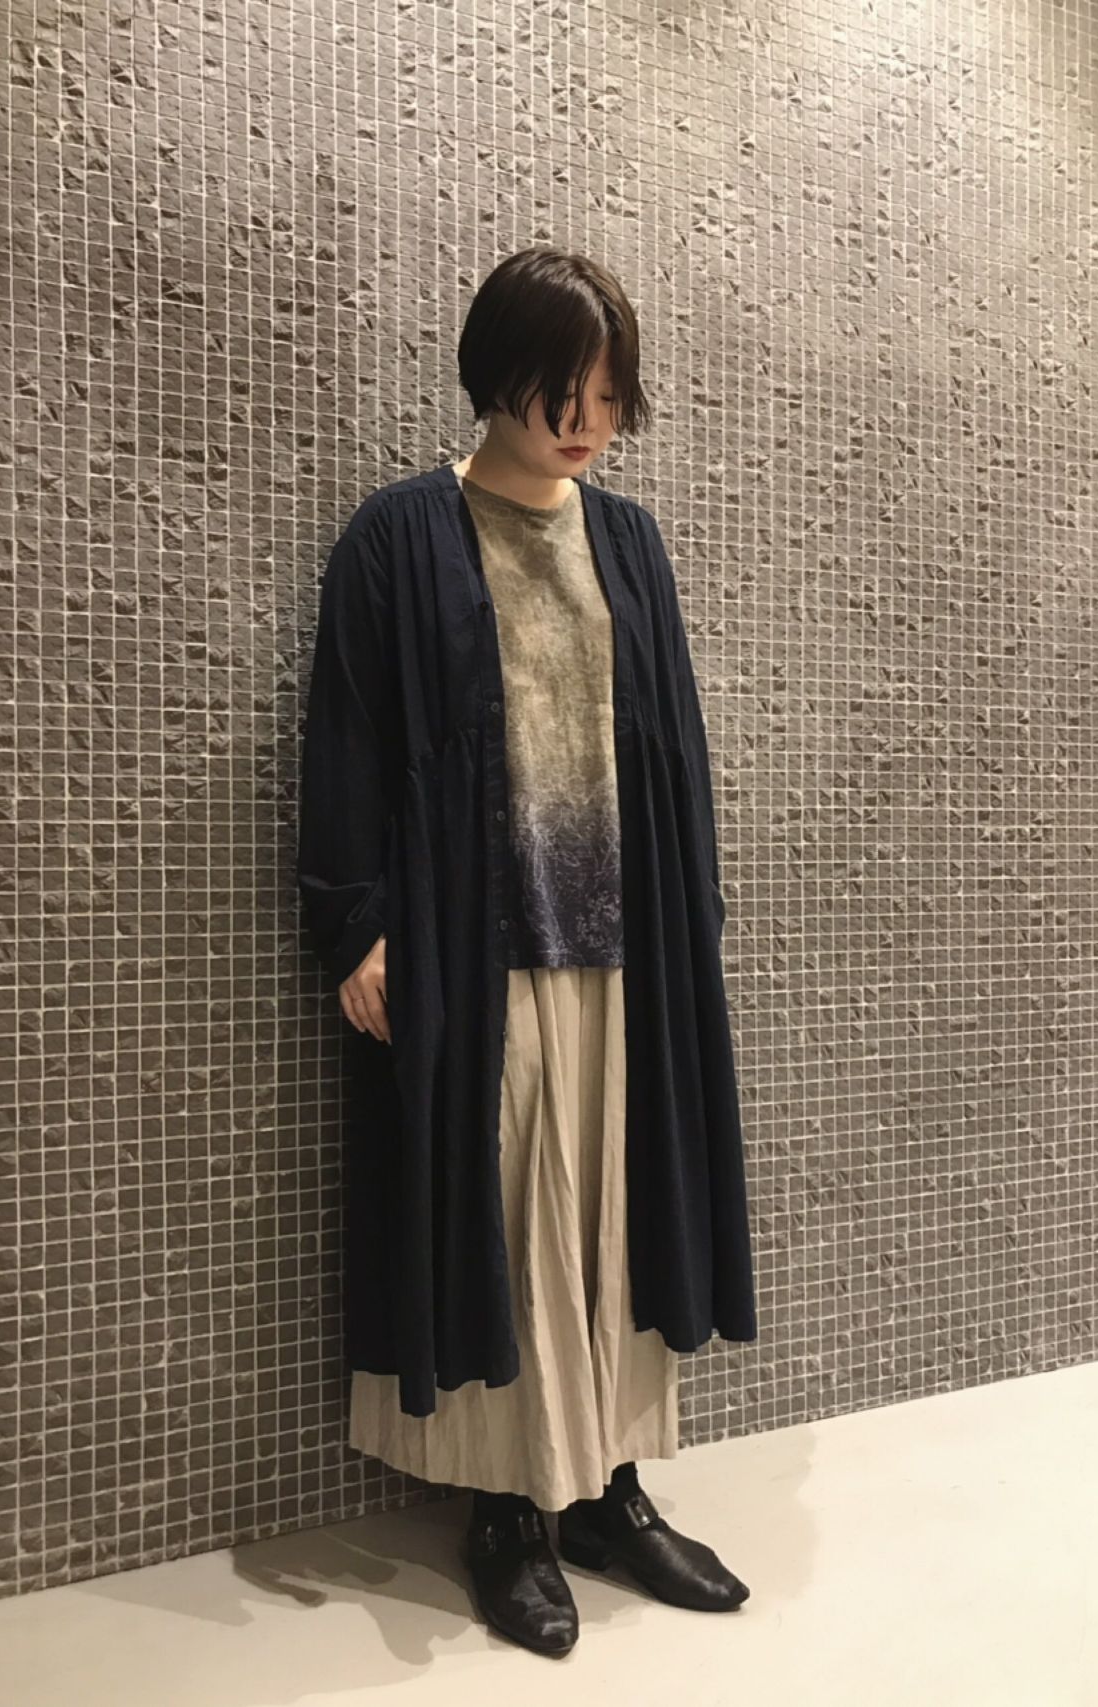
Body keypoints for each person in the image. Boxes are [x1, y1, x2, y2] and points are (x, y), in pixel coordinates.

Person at [296, 247, 755, 1657]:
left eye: (610, 397)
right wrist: (356, 922)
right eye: (565, 391)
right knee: (498, 1216)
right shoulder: (399, 537)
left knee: (617, 1211)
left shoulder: (630, 543)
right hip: (473, 948)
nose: (587, 422)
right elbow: (348, 737)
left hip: (624, 947)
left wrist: (696, 918)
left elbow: (674, 752)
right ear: (497, 375)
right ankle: (506, 1509)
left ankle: (607, 1490)